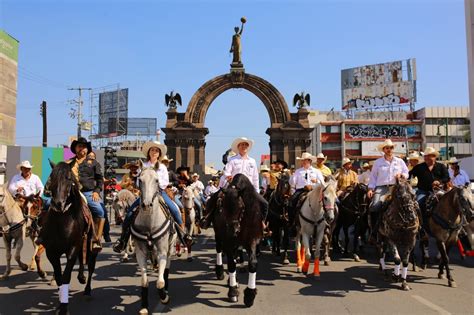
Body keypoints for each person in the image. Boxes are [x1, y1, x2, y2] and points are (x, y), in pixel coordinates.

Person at [113, 141, 193, 253]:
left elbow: (165, 182)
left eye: (156, 150)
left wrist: (154, 184)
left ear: (159, 154)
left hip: (159, 192)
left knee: (174, 210)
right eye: (152, 150)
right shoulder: (143, 166)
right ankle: (122, 240)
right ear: (149, 153)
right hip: (144, 194)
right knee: (130, 213)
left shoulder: (162, 167)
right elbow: (137, 181)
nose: (154, 152)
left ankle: (183, 236)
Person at [367, 139, 409, 240]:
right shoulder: (378, 162)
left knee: (410, 204)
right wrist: (370, 189)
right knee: (374, 206)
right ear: (383, 150)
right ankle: (374, 231)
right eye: (387, 148)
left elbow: (406, 173)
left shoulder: (399, 161)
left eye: (390, 148)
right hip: (382, 188)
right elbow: (373, 177)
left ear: (393, 149)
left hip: (396, 187)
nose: (389, 149)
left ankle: (415, 228)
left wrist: (402, 175)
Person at [223, 137, 269, 223]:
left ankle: (261, 223)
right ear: (238, 147)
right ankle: (208, 218)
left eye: (246, 145)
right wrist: (229, 177)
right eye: (242, 145)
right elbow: (227, 172)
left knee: (265, 204)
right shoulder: (232, 159)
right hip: (235, 188)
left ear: (248, 147)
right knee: (216, 199)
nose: (244, 146)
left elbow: (255, 177)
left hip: (249, 189)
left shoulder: (252, 161)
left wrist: (257, 191)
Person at [409, 147, 449, 216]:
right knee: (418, 204)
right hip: (423, 191)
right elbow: (409, 175)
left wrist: (439, 181)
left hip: (438, 191)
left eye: (428, 156)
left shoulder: (441, 166)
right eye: (425, 156)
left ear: (434, 157)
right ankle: (421, 223)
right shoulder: (419, 167)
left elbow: (447, 178)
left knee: (448, 203)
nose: (426, 157)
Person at [289, 152, 325, 220]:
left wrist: (316, 181)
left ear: (310, 161)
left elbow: (323, 184)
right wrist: (292, 176)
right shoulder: (298, 171)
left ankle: (326, 220)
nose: (303, 162)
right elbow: (292, 183)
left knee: (326, 203)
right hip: (301, 191)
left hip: (314, 191)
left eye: (305, 160)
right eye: (302, 160)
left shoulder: (317, 171)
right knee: (291, 203)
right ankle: (292, 222)